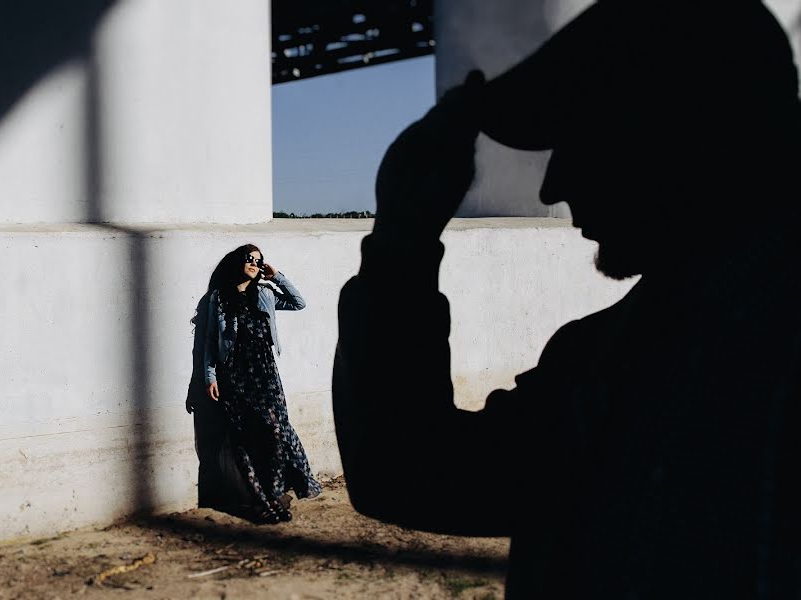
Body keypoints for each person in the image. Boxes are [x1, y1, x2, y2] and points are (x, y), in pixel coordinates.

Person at [332, 2, 801, 598]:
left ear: (679, 134)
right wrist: (403, 238)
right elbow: (410, 473)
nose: (555, 185)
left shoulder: (617, 363)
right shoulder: (613, 359)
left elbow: (408, 473)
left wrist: (403, 239)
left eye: (583, 137)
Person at [187, 243, 321, 524]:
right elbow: (209, 342)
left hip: (266, 373)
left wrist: (277, 276)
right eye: (249, 259)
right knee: (245, 439)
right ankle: (261, 502)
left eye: (259, 261)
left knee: (275, 430)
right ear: (238, 262)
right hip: (235, 375)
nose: (254, 264)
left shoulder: (265, 294)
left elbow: (299, 303)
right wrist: (209, 377)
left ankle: (275, 495)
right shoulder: (218, 299)